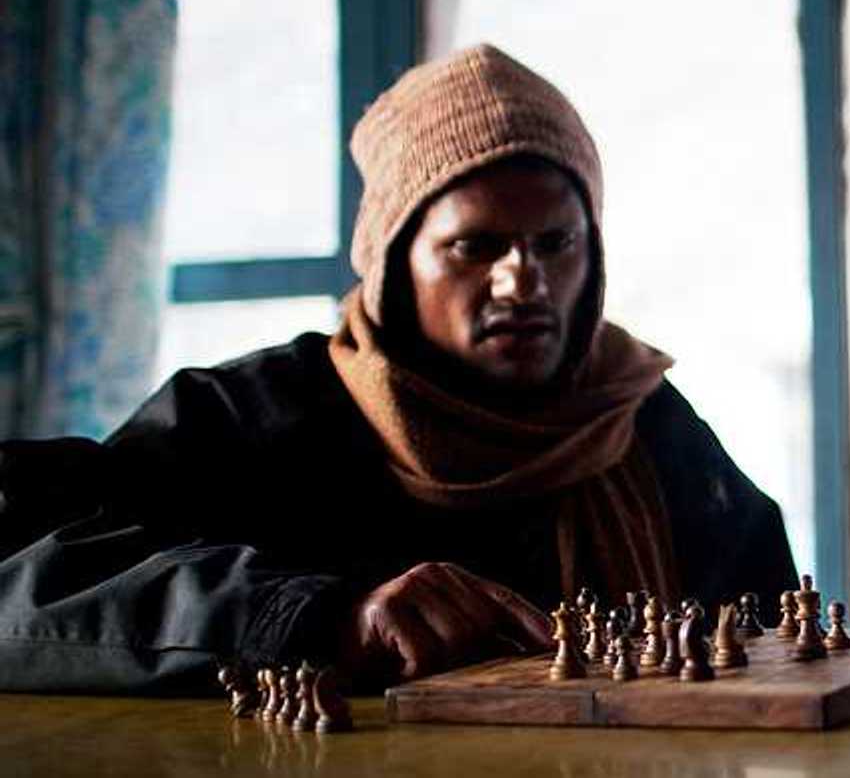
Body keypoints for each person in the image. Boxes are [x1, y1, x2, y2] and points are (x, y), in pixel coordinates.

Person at [0, 44, 797, 692]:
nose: (524, 282)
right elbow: (25, 583)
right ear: (392, 263)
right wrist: (308, 619)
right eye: (473, 246)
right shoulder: (249, 419)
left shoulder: (641, 423)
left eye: (556, 243)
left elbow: (772, 640)